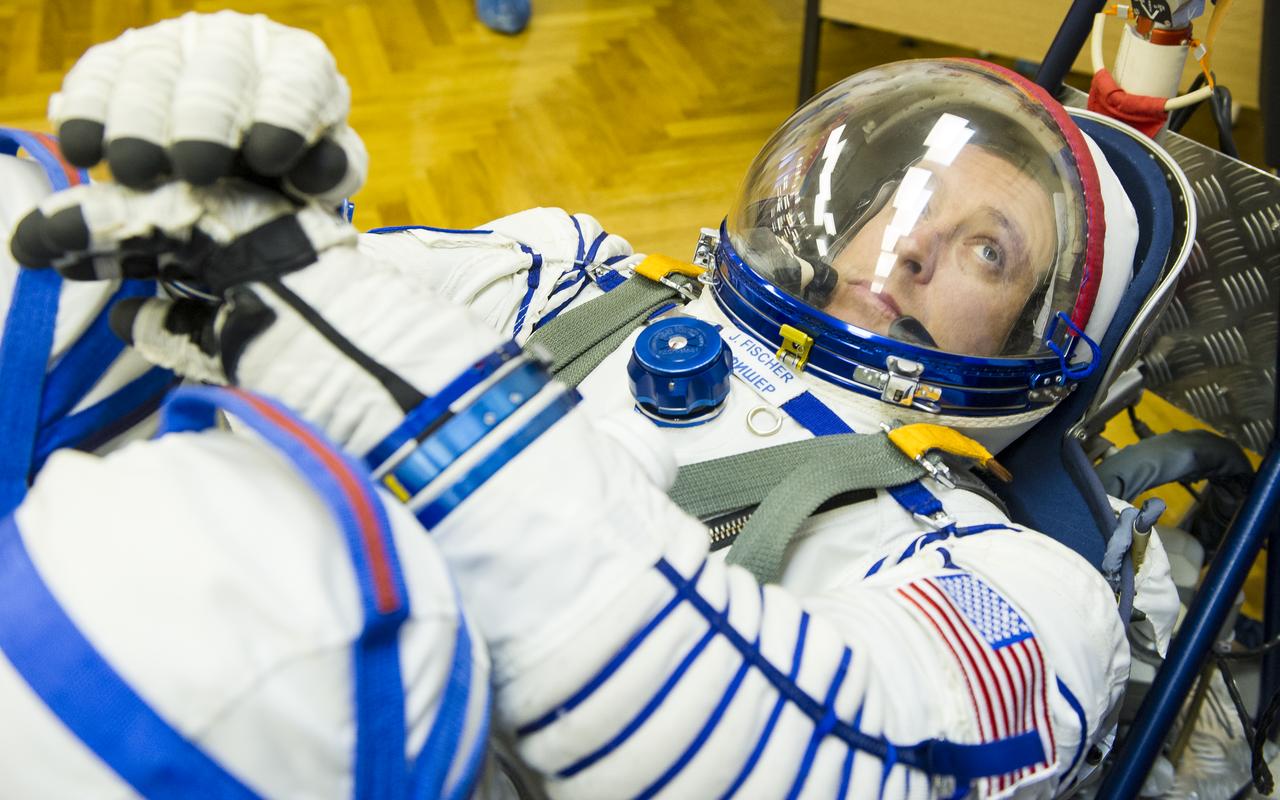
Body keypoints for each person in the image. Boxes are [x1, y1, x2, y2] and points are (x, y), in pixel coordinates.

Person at [4, 12, 1179, 797]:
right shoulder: (569, 270)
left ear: (1047, 334)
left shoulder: (1021, 586)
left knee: (188, 594)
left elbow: (839, 756)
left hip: (297, 684)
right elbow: (262, 294)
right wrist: (203, 174)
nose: (912, 244)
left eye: (985, 248)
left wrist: (453, 423)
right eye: (908, 201)